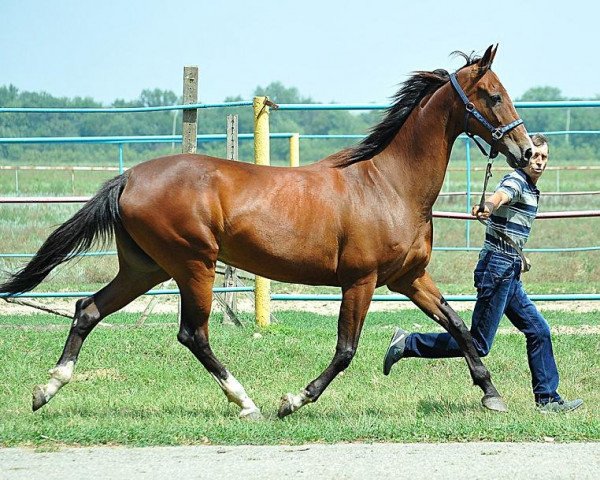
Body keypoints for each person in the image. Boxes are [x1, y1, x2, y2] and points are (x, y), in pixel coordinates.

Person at [383, 134, 583, 413]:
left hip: (509, 271)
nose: (539, 162)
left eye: (544, 157)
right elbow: (502, 195)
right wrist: (489, 206)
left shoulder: (531, 186)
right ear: (524, 157)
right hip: (497, 269)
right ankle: (408, 343)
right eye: (534, 156)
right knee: (478, 343)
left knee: (539, 330)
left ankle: (547, 399)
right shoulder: (516, 181)